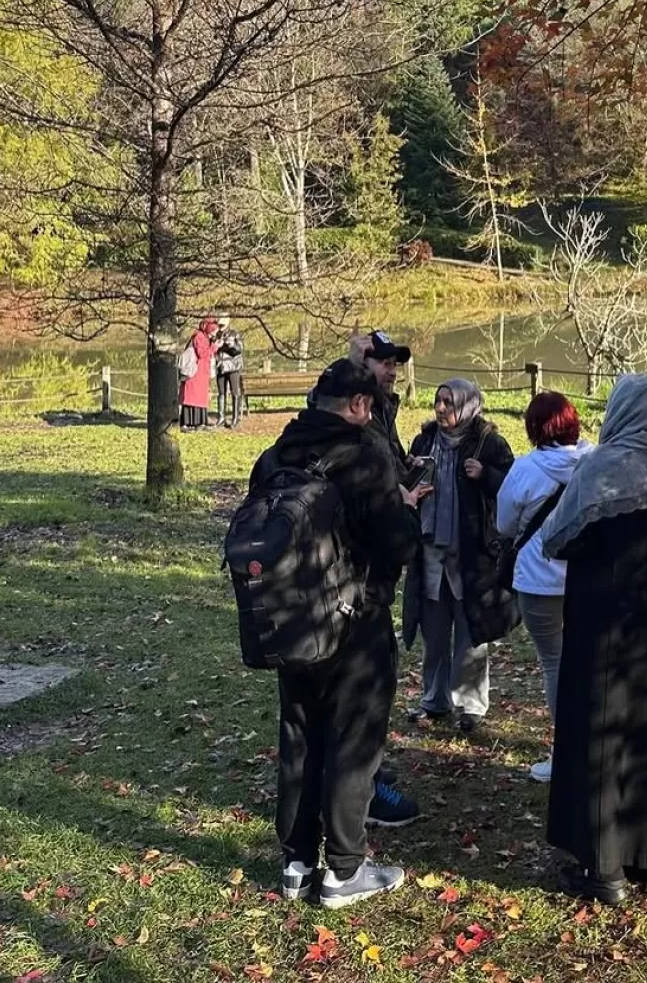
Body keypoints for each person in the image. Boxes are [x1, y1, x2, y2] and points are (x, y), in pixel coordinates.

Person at [250, 359, 423, 908]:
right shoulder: (362, 456)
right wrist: (407, 508)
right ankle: (345, 869)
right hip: (356, 620)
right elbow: (398, 543)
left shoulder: (277, 453)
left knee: (300, 737)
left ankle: (297, 861)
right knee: (354, 739)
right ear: (358, 405)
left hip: (290, 621)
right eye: (369, 407)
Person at [541, 374, 647, 905]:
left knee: (603, 726)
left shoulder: (599, 467)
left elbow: (556, 539)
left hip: (602, 611)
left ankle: (604, 870)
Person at [404, 380, 516, 734]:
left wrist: (486, 475)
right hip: (430, 552)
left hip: (472, 555)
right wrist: (412, 484)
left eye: (448, 403)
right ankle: (434, 700)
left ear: (467, 406)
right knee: (434, 633)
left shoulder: (489, 444)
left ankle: (470, 705)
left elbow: (514, 489)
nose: (440, 409)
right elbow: (405, 483)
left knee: (470, 633)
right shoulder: (424, 441)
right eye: (438, 401)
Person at [495, 391, 591, 784]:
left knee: (554, 663)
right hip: (588, 576)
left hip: (539, 580)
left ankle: (566, 752)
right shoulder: (595, 461)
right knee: (585, 661)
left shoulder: (525, 469)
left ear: (534, 428)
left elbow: (503, 524)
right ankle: (590, 745)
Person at [347, 330, 412, 474]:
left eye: (394, 364)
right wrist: (351, 366)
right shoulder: (349, 409)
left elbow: (390, 456)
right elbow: (319, 402)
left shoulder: (385, 407)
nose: (393, 372)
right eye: (386, 364)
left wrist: (408, 464)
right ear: (363, 364)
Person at [179, 316, 219, 431]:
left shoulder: (205, 338)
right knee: (192, 398)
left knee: (201, 398)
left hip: (202, 373)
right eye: (212, 332)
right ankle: (188, 423)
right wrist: (214, 347)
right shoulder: (199, 337)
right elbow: (202, 354)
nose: (213, 335)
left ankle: (200, 422)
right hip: (195, 373)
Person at [215, 317, 245, 428]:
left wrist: (230, 345)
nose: (220, 327)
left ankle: (235, 418)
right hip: (220, 367)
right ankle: (221, 417)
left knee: (234, 392)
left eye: (222, 325)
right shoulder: (216, 334)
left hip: (233, 367)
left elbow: (240, 350)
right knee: (221, 393)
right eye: (219, 325)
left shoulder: (235, 334)